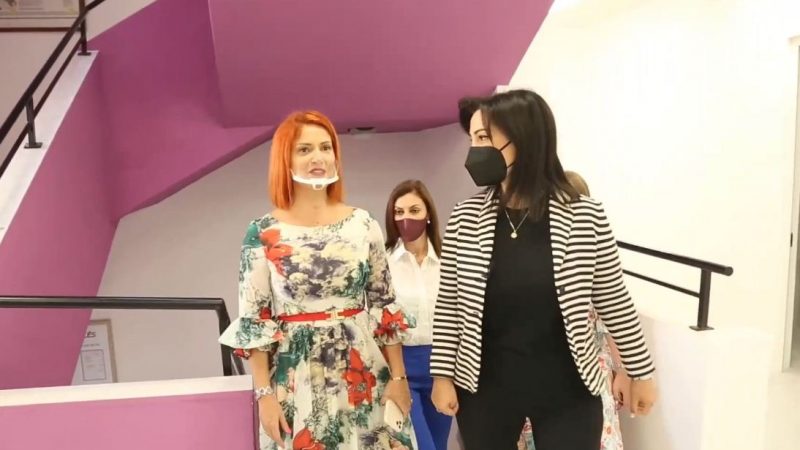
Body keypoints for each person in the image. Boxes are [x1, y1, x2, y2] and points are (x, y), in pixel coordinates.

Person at [429, 90, 658, 450]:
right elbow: (449, 306)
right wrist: (442, 375)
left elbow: (614, 300)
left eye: (483, 137)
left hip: (568, 389)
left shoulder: (585, 215)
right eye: (472, 139)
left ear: (522, 137)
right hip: (485, 387)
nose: (474, 150)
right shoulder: (464, 218)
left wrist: (640, 372)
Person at [219, 111, 417, 450]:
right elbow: (255, 320)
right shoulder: (263, 233)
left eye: (326, 147)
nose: (318, 157)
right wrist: (264, 395)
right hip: (297, 377)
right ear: (285, 159)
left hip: (363, 370)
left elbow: (384, 304)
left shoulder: (363, 224)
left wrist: (399, 377)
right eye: (304, 149)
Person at [517, 171, 628, 450]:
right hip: (542, 373)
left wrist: (624, 371)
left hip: (591, 372)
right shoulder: (535, 254)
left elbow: (613, 320)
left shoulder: (594, 255)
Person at [384, 180, 452, 450]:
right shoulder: (384, 262)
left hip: (443, 368)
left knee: (439, 444)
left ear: (428, 214)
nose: (406, 218)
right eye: (399, 212)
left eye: (414, 210)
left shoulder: (448, 260)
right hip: (402, 367)